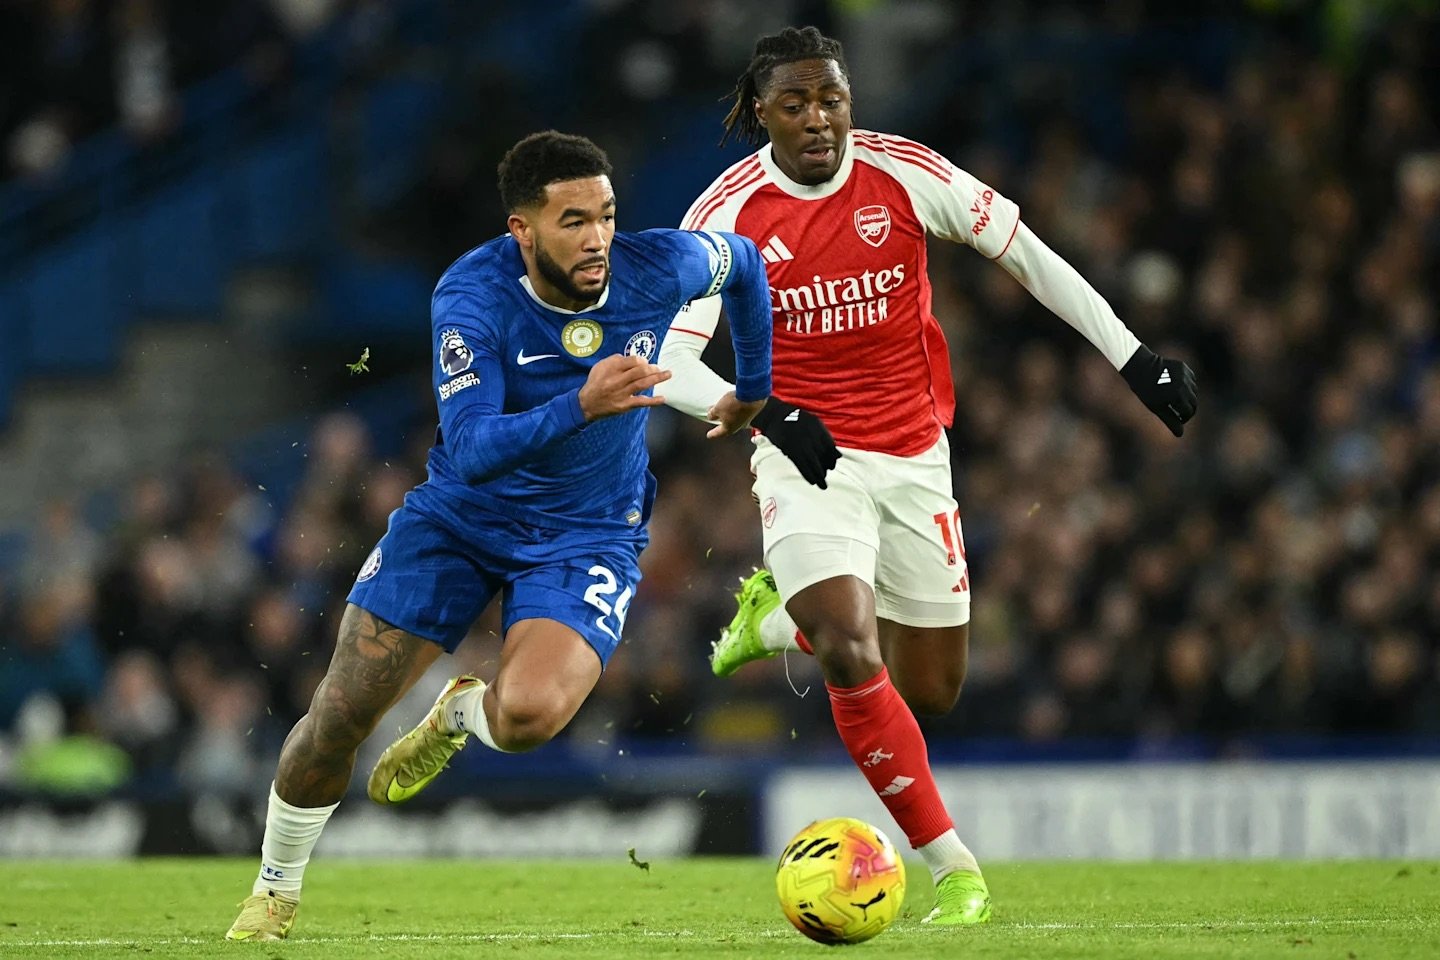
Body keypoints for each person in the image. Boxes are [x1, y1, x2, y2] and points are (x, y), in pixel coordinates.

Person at [659, 26, 1199, 925]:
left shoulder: (904, 173)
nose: (819, 119)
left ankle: (780, 620)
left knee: (933, 686)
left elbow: (1027, 253)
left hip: (914, 454)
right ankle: (955, 870)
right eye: (795, 104)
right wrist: (771, 413)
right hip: (803, 457)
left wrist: (1135, 357)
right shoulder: (727, 215)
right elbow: (668, 361)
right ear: (762, 113)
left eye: (831, 98)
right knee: (849, 644)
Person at [226, 130, 784, 942]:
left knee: (527, 720)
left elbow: (745, 264)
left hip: (586, 532)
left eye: (606, 215)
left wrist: (755, 390)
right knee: (342, 710)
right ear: (522, 229)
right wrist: (581, 405)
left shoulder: (657, 264)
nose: (598, 238)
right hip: (460, 517)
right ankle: (273, 891)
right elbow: (477, 446)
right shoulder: (473, 296)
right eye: (572, 221)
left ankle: (457, 717)